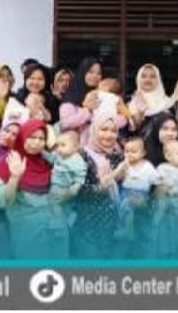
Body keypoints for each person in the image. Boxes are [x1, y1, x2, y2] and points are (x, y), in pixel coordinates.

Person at [0, 119, 70, 259]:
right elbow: (2, 201)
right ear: (22, 137)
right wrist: (15, 177)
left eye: (41, 138)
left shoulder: (48, 162)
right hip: (28, 234)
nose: (37, 142)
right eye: (32, 137)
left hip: (56, 231)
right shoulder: (9, 162)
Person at [71, 110, 125, 258]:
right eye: (103, 129)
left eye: (113, 131)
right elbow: (74, 191)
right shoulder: (80, 155)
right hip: (88, 226)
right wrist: (98, 189)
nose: (109, 135)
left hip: (114, 227)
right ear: (94, 130)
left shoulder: (118, 157)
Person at [109, 137, 159, 241]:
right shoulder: (124, 164)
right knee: (120, 204)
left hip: (141, 194)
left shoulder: (147, 166)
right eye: (126, 151)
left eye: (133, 151)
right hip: (124, 191)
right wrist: (122, 169)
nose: (129, 154)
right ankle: (122, 227)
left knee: (127, 203)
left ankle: (128, 230)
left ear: (143, 153)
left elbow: (156, 180)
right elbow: (115, 178)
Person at [45, 131, 87, 227]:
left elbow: (80, 179)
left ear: (75, 147)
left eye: (63, 145)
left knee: (57, 205)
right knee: (52, 205)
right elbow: (51, 158)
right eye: (57, 145)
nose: (59, 149)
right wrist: (42, 152)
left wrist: (72, 190)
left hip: (65, 188)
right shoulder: (59, 155)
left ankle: (60, 224)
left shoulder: (78, 162)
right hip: (54, 185)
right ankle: (65, 219)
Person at [127, 64, 177, 139]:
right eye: (144, 76)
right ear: (138, 79)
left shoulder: (168, 102)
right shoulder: (132, 103)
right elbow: (134, 128)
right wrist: (140, 112)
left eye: (152, 76)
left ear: (158, 80)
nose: (148, 80)